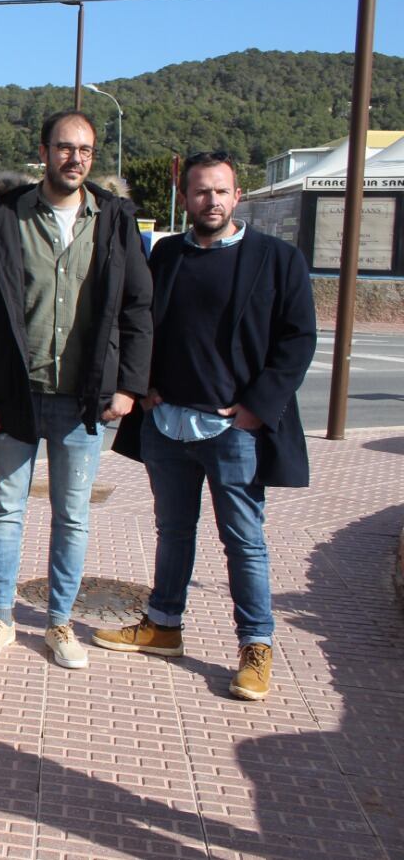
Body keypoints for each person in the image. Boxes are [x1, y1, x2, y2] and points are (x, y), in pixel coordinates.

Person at [94, 151, 315, 700]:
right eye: (200, 192)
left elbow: (297, 340)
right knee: (173, 531)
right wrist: (141, 385)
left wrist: (254, 410)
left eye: (220, 191)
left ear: (237, 196)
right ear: (186, 198)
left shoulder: (276, 259)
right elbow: (139, 321)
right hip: (166, 425)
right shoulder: (167, 254)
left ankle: (255, 646)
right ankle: (164, 623)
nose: (210, 201)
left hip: (233, 431)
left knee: (244, 541)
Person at [0, 109, 152, 669]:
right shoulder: (4, 218)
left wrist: (129, 385)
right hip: (14, 392)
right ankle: (0, 617)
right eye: (65, 148)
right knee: (6, 509)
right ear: (44, 151)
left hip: (82, 397)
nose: (76, 159)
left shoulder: (114, 219)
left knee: (72, 515)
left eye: (85, 150)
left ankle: (59, 622)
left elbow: (138, 309)